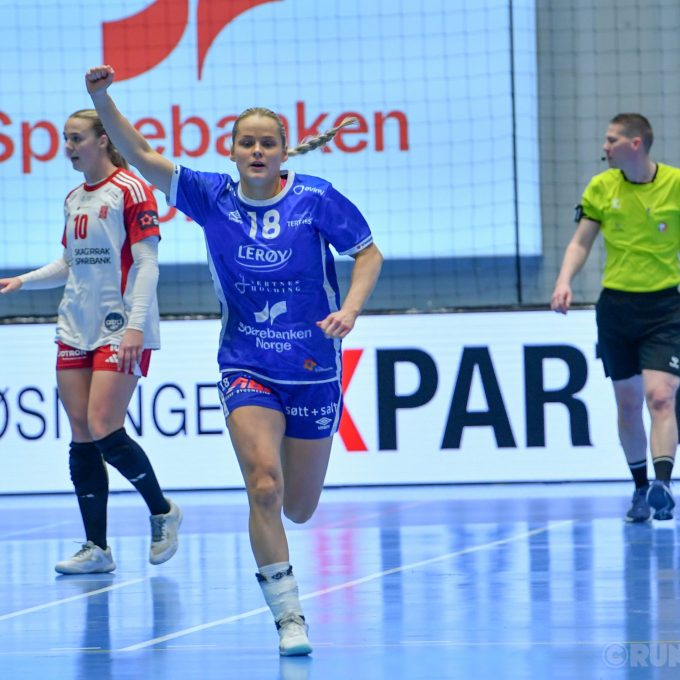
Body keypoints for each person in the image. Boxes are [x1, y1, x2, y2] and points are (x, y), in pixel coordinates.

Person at [83, 64, 382, 655]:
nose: (257, 151)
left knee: (299, 507)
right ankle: (289, 617)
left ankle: (288, 567)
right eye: (247, 142)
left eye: (267, 143)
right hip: (246, 364)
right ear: (232, 151)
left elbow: (368, 253)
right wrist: (101, 97)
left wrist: (349, 311)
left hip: (314, 369)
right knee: (264, 486)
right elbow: (139, 153)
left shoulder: (316, 198)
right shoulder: (211, 197)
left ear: (282, 152)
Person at [0, 109, 182, 574]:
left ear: (103, 140)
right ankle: (97, 548)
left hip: (121, 324)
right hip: (74, 324)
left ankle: (162, 511)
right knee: (81, 432)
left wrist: (136, 326)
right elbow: (69, 263)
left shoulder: (132, 189)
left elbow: (147, 264)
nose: (68, 147)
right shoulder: (73, 198)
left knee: (104, 425)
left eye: (76, 138)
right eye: (65, 139)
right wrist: (23, 281)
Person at [551, 113, 680, 523]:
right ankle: (641, 488)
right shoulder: (602, 187)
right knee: (628, 403)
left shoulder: (675, 185)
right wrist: (564, 280)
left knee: (661, 396)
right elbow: (580, 243)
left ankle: (663, 484)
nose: (604, 147)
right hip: (617, 309)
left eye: (611, 140)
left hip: (665, 307)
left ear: (635, 144)